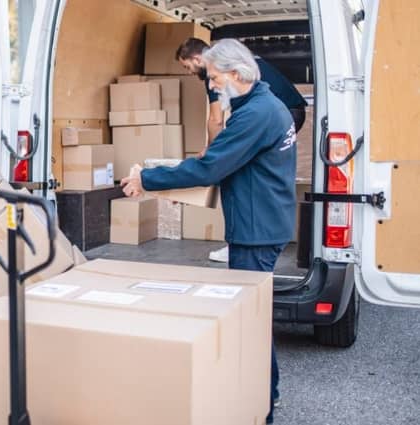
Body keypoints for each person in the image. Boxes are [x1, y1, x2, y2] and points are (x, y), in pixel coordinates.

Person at [122, 39, 295, 425]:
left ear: (237, 74)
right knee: (254, 315)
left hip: (257, 229)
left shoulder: (257, 115)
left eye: (215, 78)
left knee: (249, 321)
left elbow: (210, 169)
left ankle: (259, 406)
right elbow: (220, 162)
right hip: (266, 220)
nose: (212, 85)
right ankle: (268, 394)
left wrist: (146, 178)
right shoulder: (260, 105)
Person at [176, 37, 307, 263]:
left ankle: (248, 240)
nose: (190, 73)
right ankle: (251, 237)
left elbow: (216, 120)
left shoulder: (218, 71)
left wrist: (213, 153)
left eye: (187, 66)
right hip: (292, 109)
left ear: (198, 59)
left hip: (285, 112)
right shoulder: (241, 68)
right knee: (248, 167)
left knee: (242, 171)